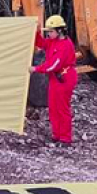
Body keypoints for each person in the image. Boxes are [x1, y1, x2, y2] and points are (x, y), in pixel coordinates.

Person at [29, 15, 78, 144]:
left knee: (62, 108)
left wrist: (36, 69)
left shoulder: (65, 45)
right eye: (48, 31)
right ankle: (56, 134)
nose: (49, 34)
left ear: (59, 30)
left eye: (51, 31)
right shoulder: (53, 41)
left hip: (64, 78)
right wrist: (37, 31)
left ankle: (65, 137)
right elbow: (40, 42)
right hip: (56, 78)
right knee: (53, 108)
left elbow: (54, 64)